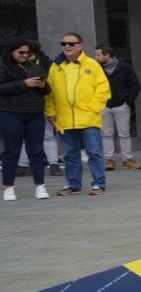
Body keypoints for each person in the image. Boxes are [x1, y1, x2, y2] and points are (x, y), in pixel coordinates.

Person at [46, 32, 111, 196]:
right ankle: (73, 184)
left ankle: (98, 183)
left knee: (94, 153)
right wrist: (52, 111)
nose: (67, 46)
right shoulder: (56, 67)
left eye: (71, 43)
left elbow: (103, 90)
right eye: (64, 43)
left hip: (88, 118)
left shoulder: (92, 64)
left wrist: (92, 108)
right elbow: (50, 92)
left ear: (80, 45)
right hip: (65, 119)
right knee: (70, 155)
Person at [0, 38, 51, 200]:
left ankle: (40, 185)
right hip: (11, 113)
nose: (24, 55)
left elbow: (47, 89)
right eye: (20, 52)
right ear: (11, 52)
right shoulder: (3, 66)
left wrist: (43, 86)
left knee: (36, 151)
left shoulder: (35, 67)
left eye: (27, 52)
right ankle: (8, 187)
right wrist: (24, 83)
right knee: (11, 151)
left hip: (35, 114)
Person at [95, 44, 141, 171]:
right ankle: (109, 160)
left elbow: (135, 85)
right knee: (106, 134)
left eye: (98, 54)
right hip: (104, 106)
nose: (96, 57)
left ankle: (127, 159)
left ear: (107, 55)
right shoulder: (96, 68)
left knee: (124, 134)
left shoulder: (125, 67)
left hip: (122, 106)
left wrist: (128, 101)